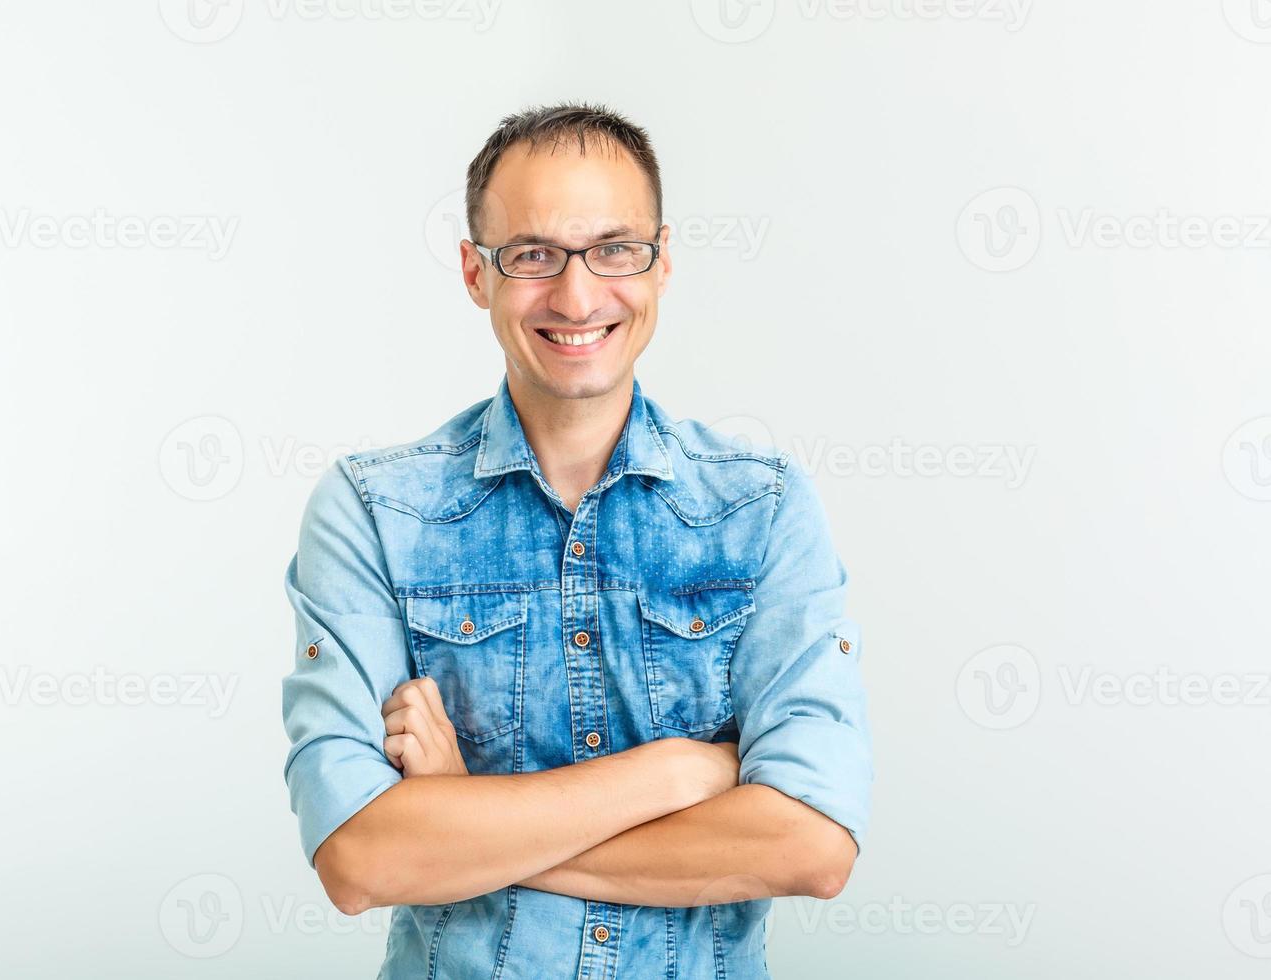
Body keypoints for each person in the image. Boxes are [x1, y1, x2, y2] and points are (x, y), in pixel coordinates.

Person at [281, 101, 872, 978]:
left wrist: (462, 819)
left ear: (662, 263)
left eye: (614, 249)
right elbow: (362, 860)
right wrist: (678, 774)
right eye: (532, 256)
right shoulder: (372, 510)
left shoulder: (765, 507)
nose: (579, 294)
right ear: (475, 274)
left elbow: (811, 846)